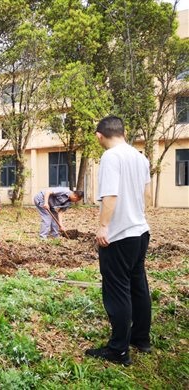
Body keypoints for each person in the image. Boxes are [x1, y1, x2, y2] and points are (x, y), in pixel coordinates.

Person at [85, 115, 151, 366]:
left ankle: (119, 351)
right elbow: (147, 195)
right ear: (123, 132)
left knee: (117, 290)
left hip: (119, 235)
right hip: (140, 231)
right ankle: (141, 339)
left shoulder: (111, 157)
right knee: (138, 285)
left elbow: (110, 195)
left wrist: (104, 226)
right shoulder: (139, 157)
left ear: (99, 136)